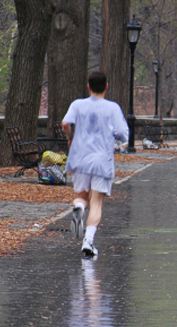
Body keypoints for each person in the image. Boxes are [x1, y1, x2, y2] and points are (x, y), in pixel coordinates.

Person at [61, 70, 129, 257]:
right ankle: (88, 241)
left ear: (88, 87)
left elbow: (65, 124)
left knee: (81, 196)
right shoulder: (113, 108)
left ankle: (79, 208)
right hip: (101, 160)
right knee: (97, 201)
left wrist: (71, 137)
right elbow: (123, 134)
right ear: (106, 87)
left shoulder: (77, 104)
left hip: (80, 158)